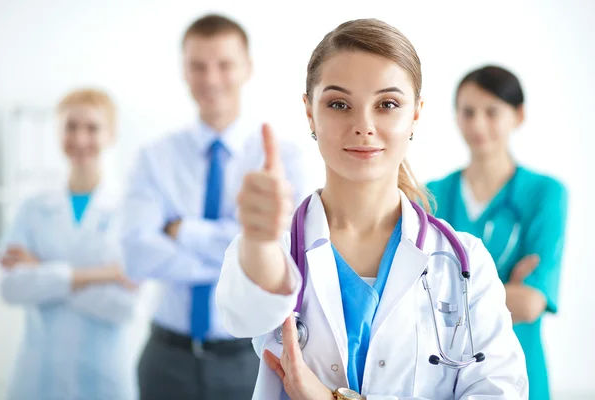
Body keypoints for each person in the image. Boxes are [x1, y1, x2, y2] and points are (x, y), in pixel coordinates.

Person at [216, 18, 529, 400]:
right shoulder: (274, 253)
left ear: (415, 114)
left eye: (387, 104)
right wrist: (259, 242)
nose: (363, 125)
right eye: (339, 104)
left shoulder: (466, 263)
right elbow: (243, 313)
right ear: (310, 112)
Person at [120, 14, 311, 400]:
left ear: (247, 68)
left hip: (250, 359)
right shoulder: (154, 158)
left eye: (224, 65)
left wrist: (181, 231)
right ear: (184, 71)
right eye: (198, 66)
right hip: (166, 357)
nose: (211, 79)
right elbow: (137, 255)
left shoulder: (282, 158)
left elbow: (287, 254)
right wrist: (240, 257)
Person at [426, 65, 568, 400]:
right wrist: (507, 291)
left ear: (518, 115)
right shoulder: (431, 195)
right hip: (446, 377)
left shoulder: (545, 194)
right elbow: (416, 300)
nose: (478, 124)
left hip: (522, 374)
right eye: (468, 112)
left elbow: (532, 302)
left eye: (492, 112)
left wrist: (451, 298)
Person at [0, 88, 138, 400]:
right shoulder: (32, 208)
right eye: (70, 126)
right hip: (37, 377)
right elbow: (10, 288)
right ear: (57, 132)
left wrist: (41, 272)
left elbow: (123, 306)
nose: (80, 138)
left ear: (111, 134)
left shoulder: (129, 210)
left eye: (92, 127)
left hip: (103, 377)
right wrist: (102, 274)